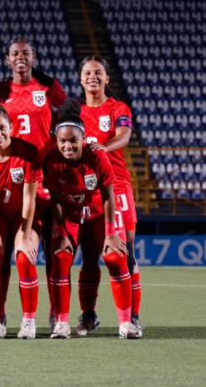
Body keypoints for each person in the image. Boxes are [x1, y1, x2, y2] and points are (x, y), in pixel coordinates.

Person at [43, 99, 140, 339]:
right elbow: (56, 199)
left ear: (84, 139)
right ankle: (61, 323)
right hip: (71, 216)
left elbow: (108, 195)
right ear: (56, 140)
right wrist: (61, 233)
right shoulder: (51, 161)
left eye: (73, 141)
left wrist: (111, 232)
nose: (67, 146)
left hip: (98, 214)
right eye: (62, 141)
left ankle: (126, 323)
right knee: (61, 257)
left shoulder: (97, 156)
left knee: (115, 256)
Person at [0, 37, 67, 329]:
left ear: (34, 57)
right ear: (7, 59)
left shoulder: (48, 87)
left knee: (53, 247)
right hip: (12, 176)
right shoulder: (0, 91)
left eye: (26, 53)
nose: (20, 57)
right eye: (15, 54)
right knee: (4, 254)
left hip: (46, 174)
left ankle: (57, 314)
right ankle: (0, 316)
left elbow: (68, 117)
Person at [78, 55, 142, 336]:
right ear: (81, 79)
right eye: (87, 72)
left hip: (117, 185)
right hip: (86, 189)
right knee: (90, 255)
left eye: (98, 72)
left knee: (125, 255)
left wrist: (105, 148)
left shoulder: (118, 107)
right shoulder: (75, 111)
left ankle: (133, 318)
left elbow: (124, 135)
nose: (92, 76)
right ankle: (88, 316)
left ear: (106, 78)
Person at [0, 106, 42, 339]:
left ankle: (29, 322)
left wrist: (26, 234)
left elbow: (30, 198)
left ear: (11, 127)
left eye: (2, 128)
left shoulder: (28, 153)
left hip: (25, 215)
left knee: (24, 257)